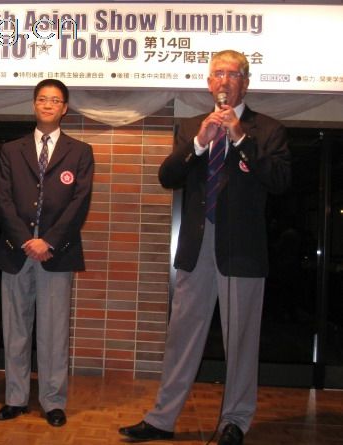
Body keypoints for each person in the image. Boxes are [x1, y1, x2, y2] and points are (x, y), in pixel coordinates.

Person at [118, 50, 291, 444]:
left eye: (233, 74)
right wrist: (198, 143)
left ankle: (235, 421)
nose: (225, 80)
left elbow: (280, 181)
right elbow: (168, 176)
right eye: (218, 74)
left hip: (242, 252)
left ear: (245, 83)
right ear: (209, 83)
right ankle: (162, 419)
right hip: (196, 247)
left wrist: (239, 138)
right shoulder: (191, 126)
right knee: (181, 338)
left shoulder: (267, 129)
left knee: (241, 341)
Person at [0, 79, 94, 427]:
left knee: (53, 330)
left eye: (55, 100)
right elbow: (1, 198)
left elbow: (80, 202)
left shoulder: (80, 151)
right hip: (16, 249)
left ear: (65, 108)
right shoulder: (12, 149)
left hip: (56, 251)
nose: (48, 104)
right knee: (15, 328)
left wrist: (47, 240)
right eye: (42, 99)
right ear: (34, 105)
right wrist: (26, 239)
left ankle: (53, 401)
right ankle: (16, 398)